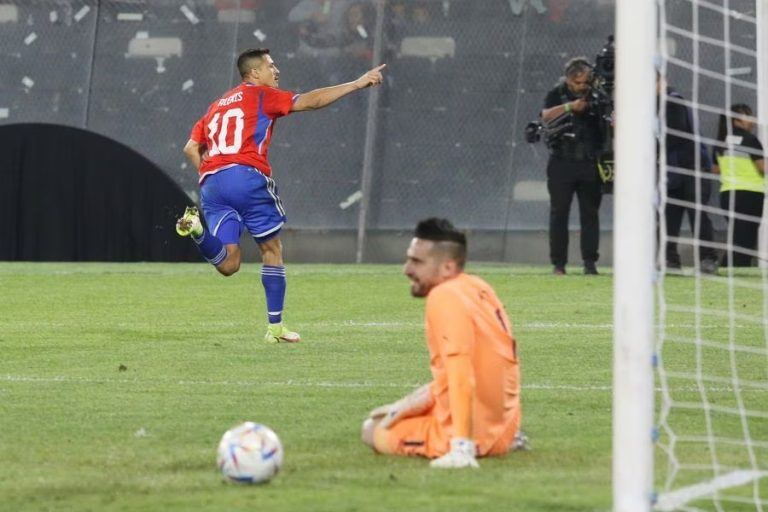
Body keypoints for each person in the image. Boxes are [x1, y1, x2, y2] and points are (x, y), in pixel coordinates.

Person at [176, 48, 385, 343]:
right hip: (246, 177)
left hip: (211, 183)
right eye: (271, 66)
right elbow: (311, 101)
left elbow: (189, 148)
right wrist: (357, 83)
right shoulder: (260, 95)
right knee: (271, 250)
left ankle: (197, 230)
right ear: (254, 74)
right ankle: (275, 328)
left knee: (228, 264)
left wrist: (211, 174)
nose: (277, 71)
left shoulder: (216, 106)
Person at [361, 218, 522, 468]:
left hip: (476, 435)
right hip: (505, 426)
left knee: (371, 430)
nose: (406, 269)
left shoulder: (444, 296)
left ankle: (460, 442)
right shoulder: (478, 287)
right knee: (390, 417)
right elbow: (500, 362)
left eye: (416, 262)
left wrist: (461, 445)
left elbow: (461, 373)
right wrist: (410, 403)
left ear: (447, 267)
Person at [540, 57, 604, 275]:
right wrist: (570, 107)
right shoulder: (555, 94)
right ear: (568, 80)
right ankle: (559, 264)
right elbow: (545, 116)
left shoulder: (598, 97)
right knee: (559, 213)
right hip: (562, 161)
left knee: (590, 214)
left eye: (586, 82)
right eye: (578, 83)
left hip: (589, 163)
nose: (582, 87)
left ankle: (590, 262)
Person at [658, 77, 719, 274]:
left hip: (693, 169)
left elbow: (675, 135)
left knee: (698, 215)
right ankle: (670, 259)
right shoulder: (660, 103)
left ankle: (708, 259)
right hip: (674, 170)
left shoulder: (673, 100)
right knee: (669, 216)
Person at [712, 104, 765, 267]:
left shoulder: (720, 142)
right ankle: (731, 271)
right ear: (736, 120)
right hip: (749, 195)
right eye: (748, 117)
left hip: (728, 194)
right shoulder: (750, 139)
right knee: (745, 240)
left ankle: (727, 269)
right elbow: (763, 167)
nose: (753, 121)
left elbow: (715, 170)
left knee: (738, 238)